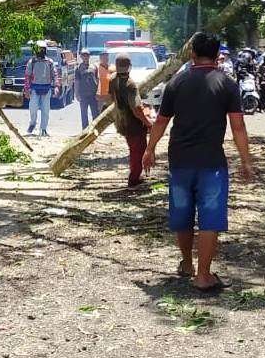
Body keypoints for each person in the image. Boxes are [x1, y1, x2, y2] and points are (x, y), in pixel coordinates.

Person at [143, 32, 255, 294]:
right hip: (212, 163)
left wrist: (149, 150)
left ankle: (187, 264)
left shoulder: (177, 82)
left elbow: (161, 121)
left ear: (192, 53)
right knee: (210, 219)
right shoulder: (227, 84)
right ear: (217, 56)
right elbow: (238, 127)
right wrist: (246, 162)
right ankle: (204, 275)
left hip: (179, 160)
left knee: (182, 215)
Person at [107, 54, 154, 188]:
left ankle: (135, 177)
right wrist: (147, 122)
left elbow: (111, 98)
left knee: (134, 150)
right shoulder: (130, 84)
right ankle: (134, 179)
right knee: (137, 152)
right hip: (134, 124)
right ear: (129, 67)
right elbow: (136, 108)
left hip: (122, 121)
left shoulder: (112, 79)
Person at [24, 41, 60, 136]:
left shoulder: (50, 62)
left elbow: (55, 75)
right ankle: (32, 123)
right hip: (34, 88)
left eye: (43, 49)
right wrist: (26, 89)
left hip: (46, 88)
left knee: (45, 110)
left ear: (45, 50)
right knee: (33, 108)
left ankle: (43, 129)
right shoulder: (32, 62)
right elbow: (27, 76)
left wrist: (56, 86)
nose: (41, 51)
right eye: (39, 49)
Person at [74, 50, 99, 129]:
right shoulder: (78, 68)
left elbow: (97, 80)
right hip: (83, 95)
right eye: (84, 55)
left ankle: (95, 130)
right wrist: (76, 94)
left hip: (93, 94)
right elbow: (77, 82)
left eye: (87, 55)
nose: (85, 57)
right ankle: (85, 131)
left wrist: (98, 92)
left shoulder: (94, 67)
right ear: (81, 57)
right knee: (84, 114)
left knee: (95, 114)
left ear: (89, 56)